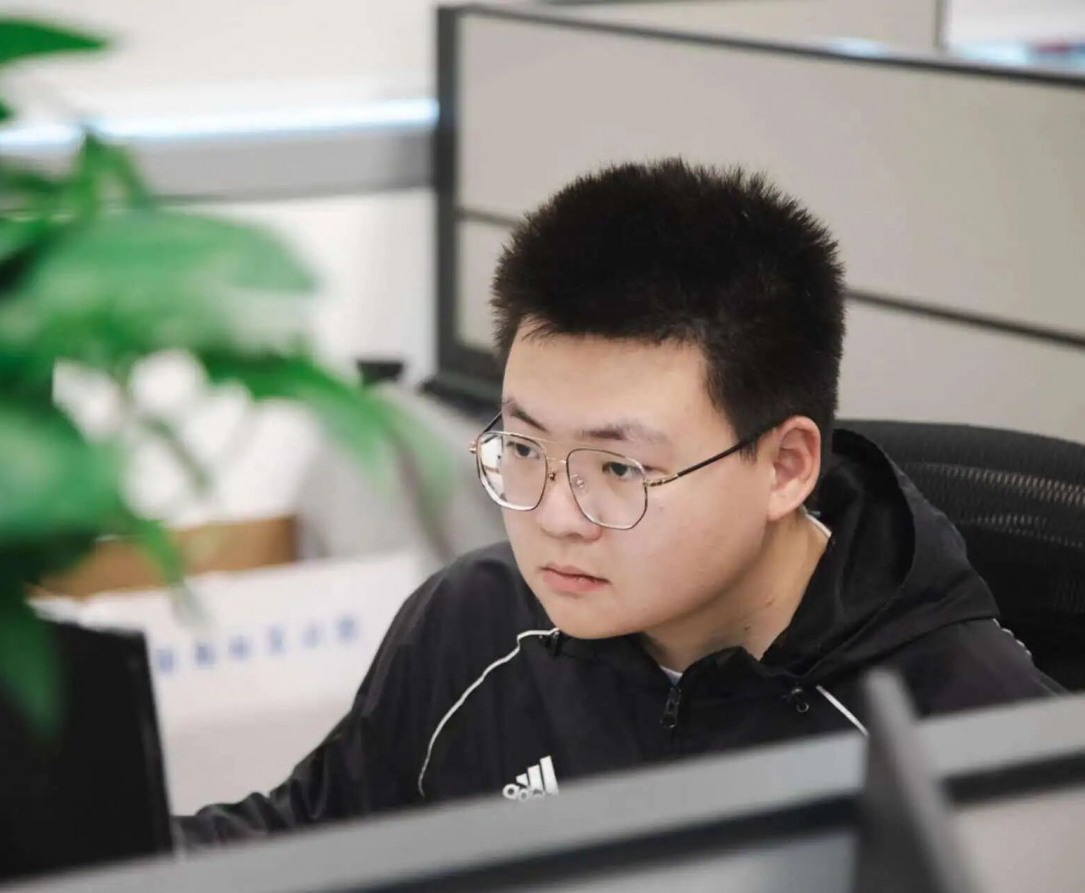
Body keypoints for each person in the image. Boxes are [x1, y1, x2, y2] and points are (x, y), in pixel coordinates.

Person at [176, 159, 1061, 845]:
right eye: (525, 449)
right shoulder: (473, 624)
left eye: (619, 470)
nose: (555, 518)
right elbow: (302, 845)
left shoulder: (971, 732)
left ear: (786, 468)